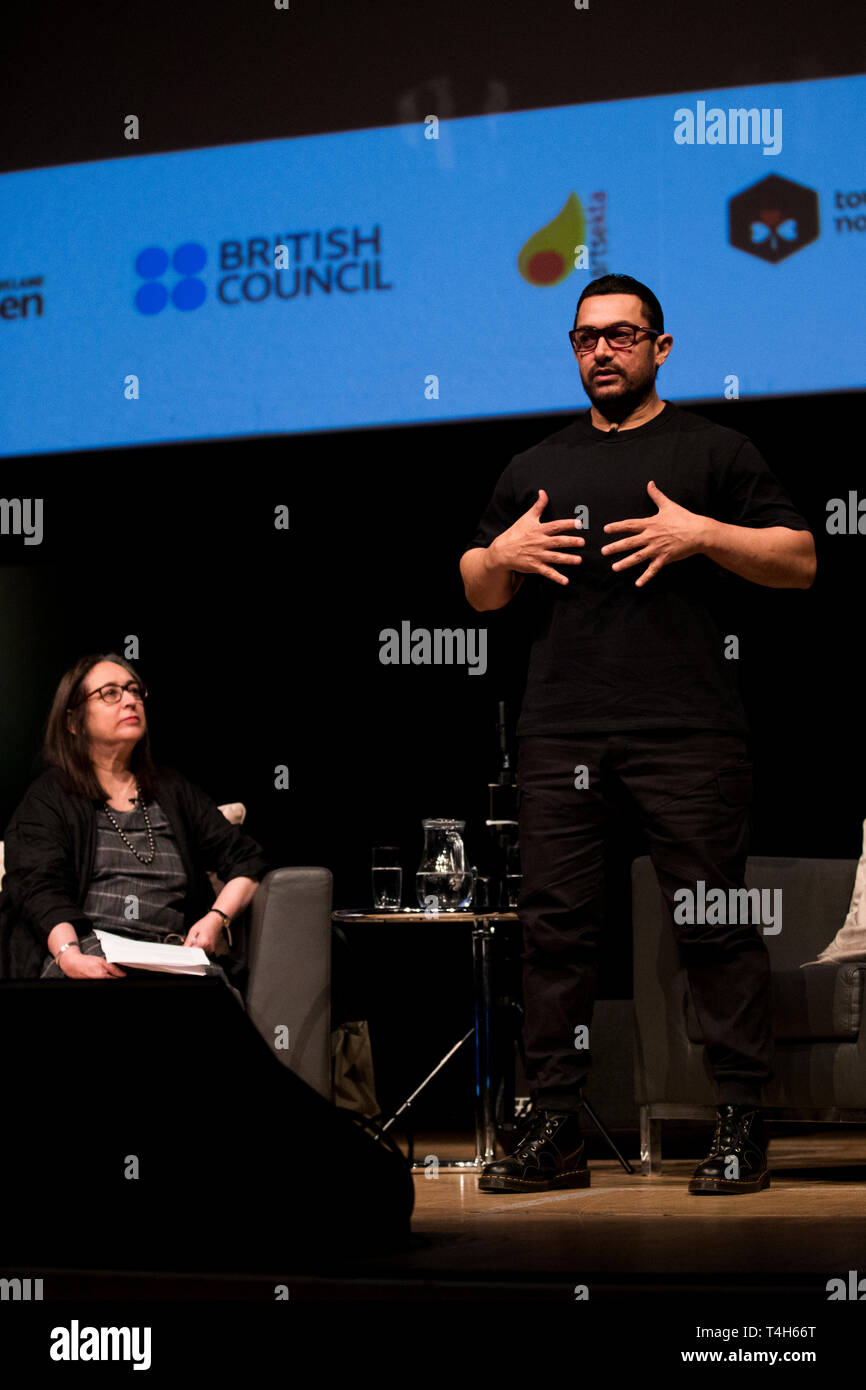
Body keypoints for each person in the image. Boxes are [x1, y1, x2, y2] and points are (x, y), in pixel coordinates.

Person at [459, 273, 816, 1196]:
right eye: (586, 338)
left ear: (661, 347)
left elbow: (800, 559)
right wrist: (494, 558)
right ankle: (556, 1134)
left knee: (713, 924)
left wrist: (705, 535)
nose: (602, 351)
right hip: (560, 730)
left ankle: (741, 1122)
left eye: (622, 335)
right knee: (556, 935)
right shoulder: (536, 464)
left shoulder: (713, 448)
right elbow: (478, 585)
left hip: (687, 729)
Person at [0, 652, 268, 1004]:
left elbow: (246, 860)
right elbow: (37, 887)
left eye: (134, 691)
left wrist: (215, 920)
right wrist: (69, 955)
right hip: (89, 954)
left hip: (171, 958)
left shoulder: (173, 790)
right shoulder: (50, 796)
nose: (129, 700)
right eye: (110, 693)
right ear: (74, 722)